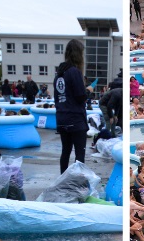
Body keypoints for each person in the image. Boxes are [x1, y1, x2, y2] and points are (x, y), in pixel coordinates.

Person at [55, 39, 90, 174]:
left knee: (65, 151)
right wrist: (88, 91)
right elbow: (80, 96)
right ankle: (76, 183)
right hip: (76, 119)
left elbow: (58, 98)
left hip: (62, 118)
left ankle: (62, 180)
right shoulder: (74, 72)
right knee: (79, 155)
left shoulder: (59, 74)